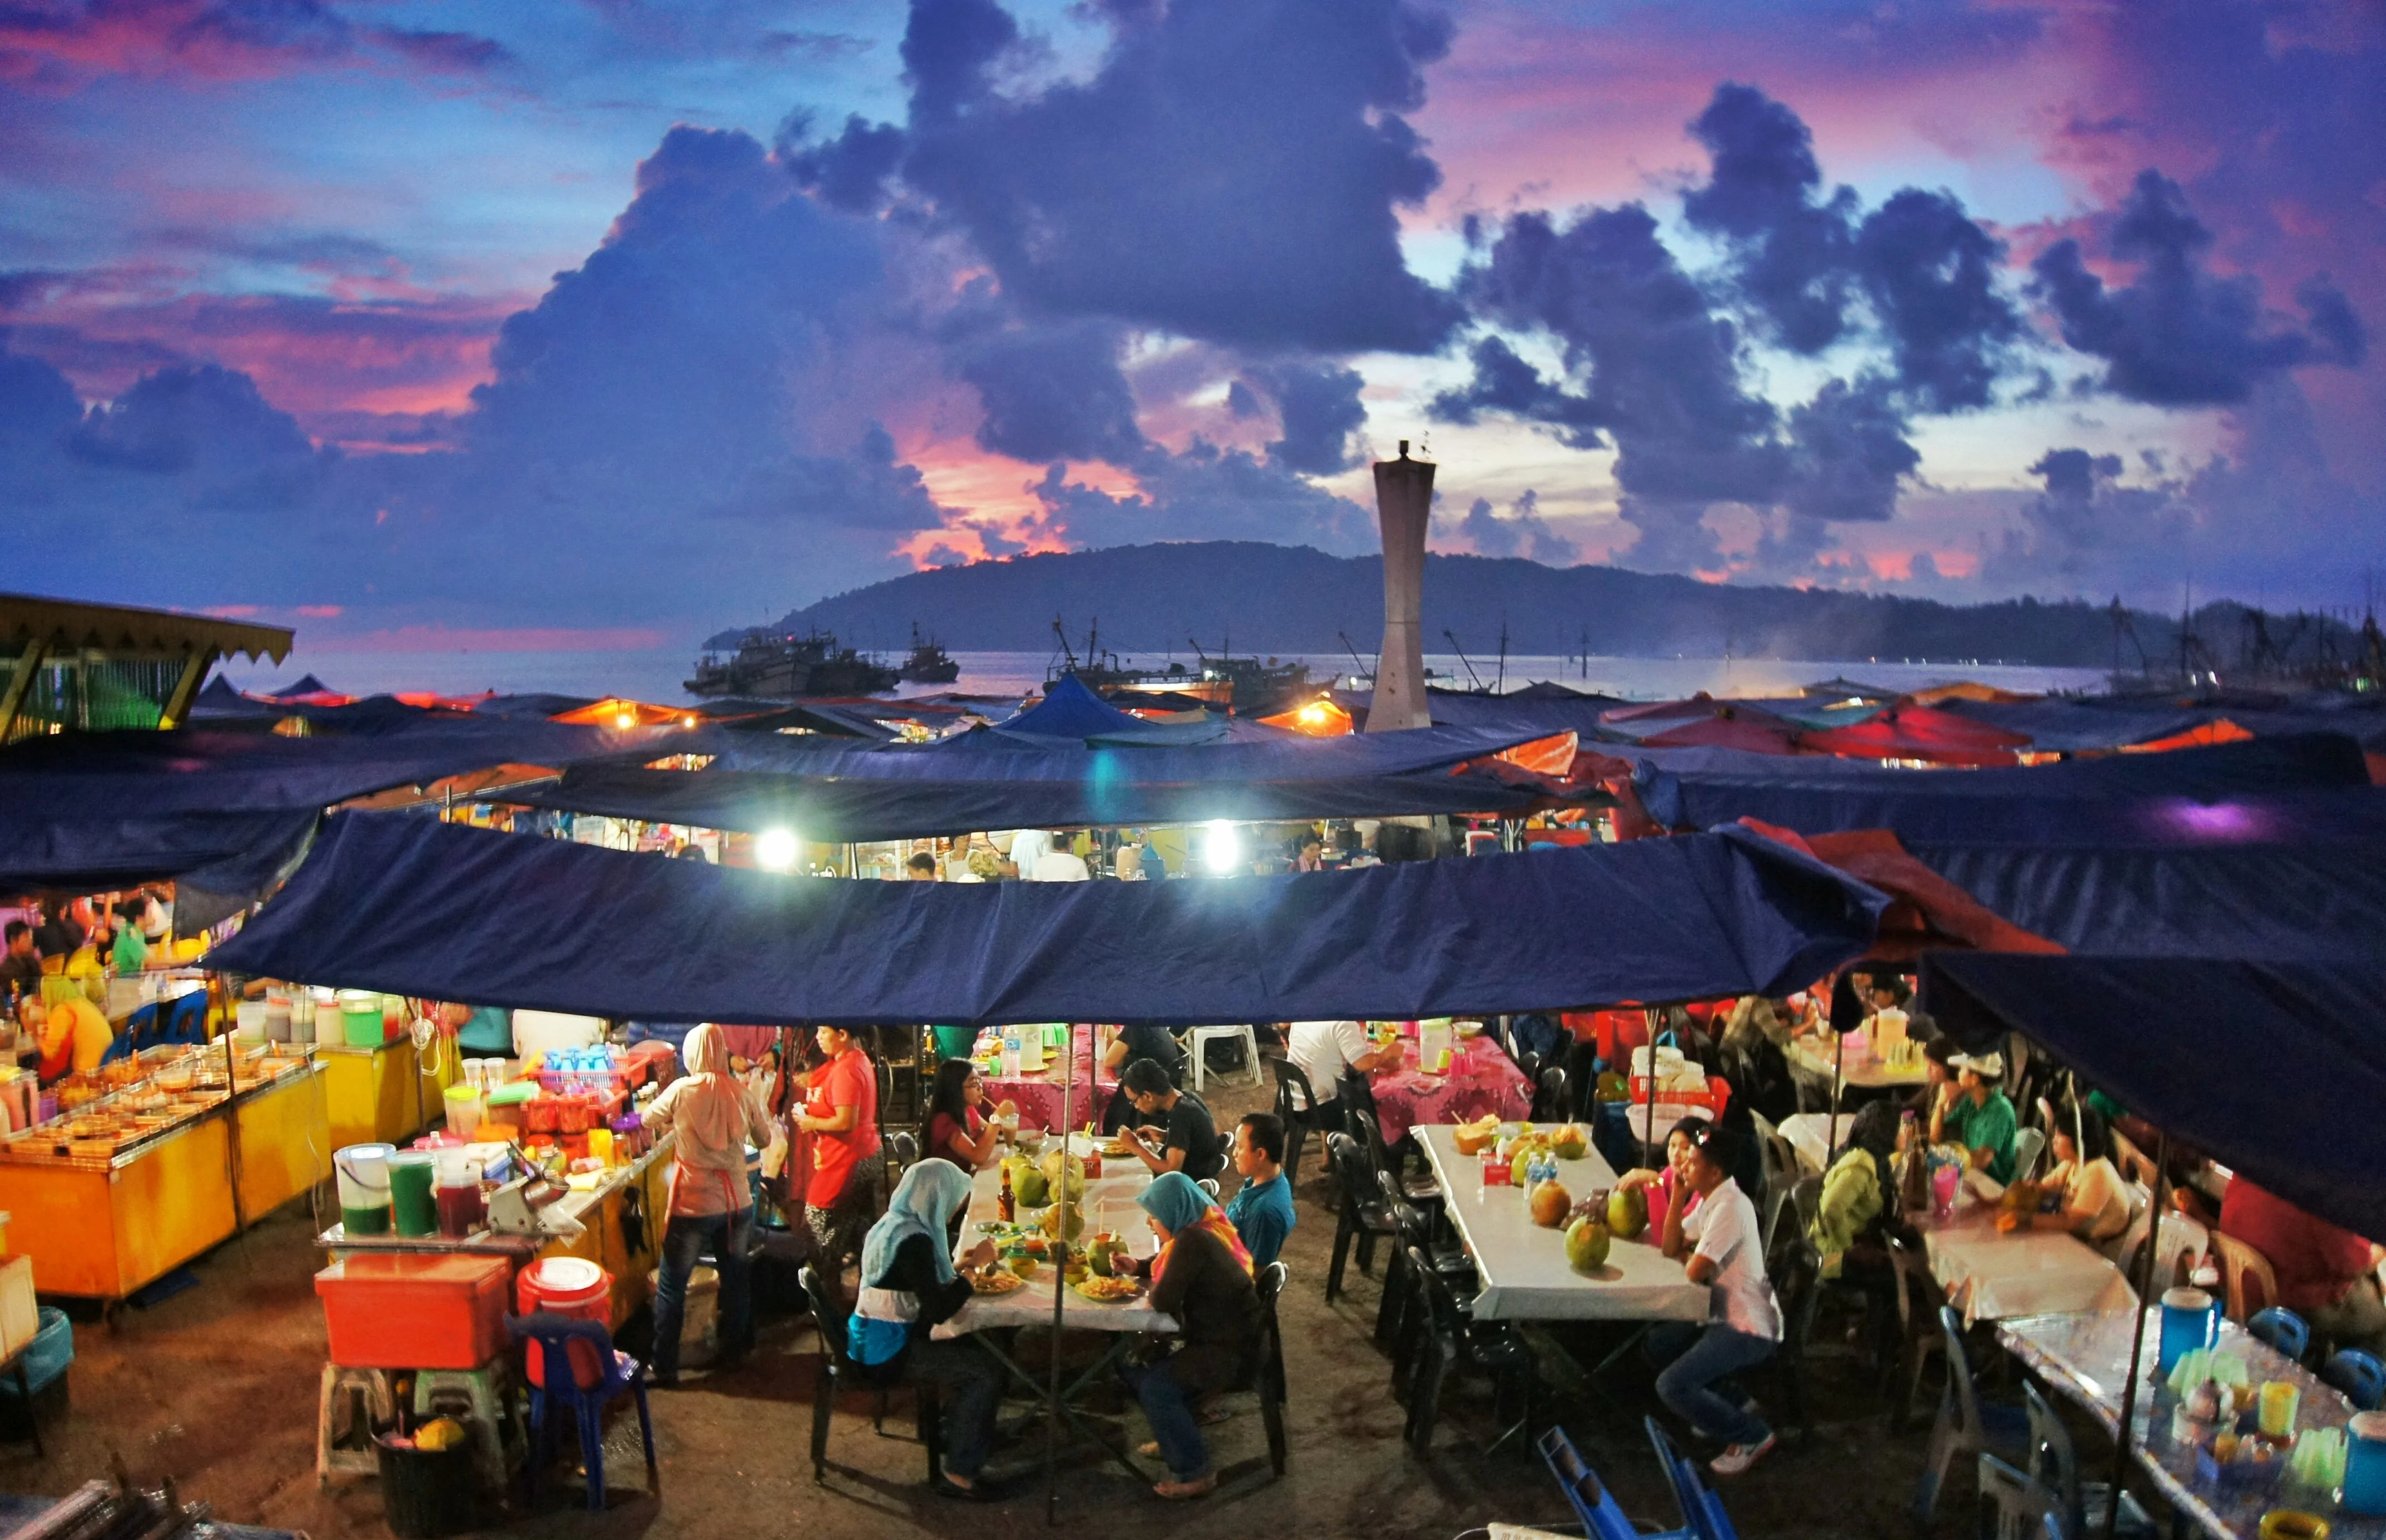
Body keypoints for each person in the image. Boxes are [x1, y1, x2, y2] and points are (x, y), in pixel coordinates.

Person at [849, 1160, 1011, 1502]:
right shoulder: (914, 1241)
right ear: (935, 1196)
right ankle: (959, 1474)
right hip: (888, 1351)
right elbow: (939, 1310)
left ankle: (966, 1431)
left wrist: (959, 1267)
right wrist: (974, 1271)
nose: (953, 1210)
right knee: (984, 1370)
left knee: (990, 1342)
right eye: (953, 1200)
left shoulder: (892, 1225)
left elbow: (915, 1283)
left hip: (867, 1336)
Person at [640, 1024, 777, 1383]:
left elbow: (645, 1118)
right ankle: (737, 1354)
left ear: (691, 1054)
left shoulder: (681, 1091)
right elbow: (763, 1138)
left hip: (693, 1204)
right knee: (735, 1279)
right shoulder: (741, 1093)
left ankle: (665, 1367)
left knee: (673, 1285)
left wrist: (677, 1122)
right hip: (737, 1203)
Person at [1647, 1121, 1781, 1476]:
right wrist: (1677, 1196)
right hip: (1719, 1314)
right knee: (1657, 1344)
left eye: (1693, 1162)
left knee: (1671, 1385)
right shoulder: (1710, 1200)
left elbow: (1693, 1271)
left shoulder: (1730, 1208)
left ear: (1715, 1171)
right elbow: (1671, 1246)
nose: (1684, 1166)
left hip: (1748, 1325)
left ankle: (1751, 1434)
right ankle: (1734, 1401)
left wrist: (1689, 1259)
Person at [1117, 1171, 1260, 1499]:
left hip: (1230, 1350)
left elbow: (1163, 1300)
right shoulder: (1199, 1231)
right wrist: (1139, 1267)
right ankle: (1174, 1433)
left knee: (1155, 1385)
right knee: (1133, 1363)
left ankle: (1196, 1473)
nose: (1151, 1224)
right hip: (1223, 1336)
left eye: (1155, 1216)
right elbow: (1171, 1267)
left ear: (1173, 1213)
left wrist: (1152, 1285)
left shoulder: (1193, 1242)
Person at [2220, 1178, 2386, 1356]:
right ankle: (2338, 1380)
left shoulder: (2252, 1165)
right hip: (2290, 1305)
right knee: (2380, 1322)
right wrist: (2375, 1253)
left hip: (2236, 1286)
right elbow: (2353, 1265)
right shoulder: (2321, 1197)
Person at [796, 1025, 883, 1285]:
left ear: (842, 1035)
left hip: (848, 1158)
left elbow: (847, 1121)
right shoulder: (854, 1060)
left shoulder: (847, 1068)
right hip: (862, 1154)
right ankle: (855, 1296)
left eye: (824, 1033)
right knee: (857, 1230)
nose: (819, 1038)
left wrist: (810, 1122)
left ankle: (827, 1297)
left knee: (817, 1226)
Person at [2003, 1102, 2129, 1254]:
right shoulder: (2073, 1163)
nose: (2054, 1140)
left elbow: (2070, 1222)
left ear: (2078, 1140)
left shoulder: (2098, 1173)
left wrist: (2024, 1219)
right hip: (2076, 1236)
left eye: (2059, 1135)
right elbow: (2039, 1190)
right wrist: (2006, 1198)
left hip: (2097, 1249)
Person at [1809, 1100, 1900, 1280]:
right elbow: (1830, 1211)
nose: (1904, 1134)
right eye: (1900, 1128)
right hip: (1832, 1254)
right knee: (1899, 1275)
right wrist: (1849, 1249)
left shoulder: (1878, 1161)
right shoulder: (1860, 1166)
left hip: (1858, 1238)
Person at [1116, 1059, 1225, 1181]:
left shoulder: (1181, 1114)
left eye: (1134, 1101)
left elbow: (1172, 1170)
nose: (1136, 1107)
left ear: (1148, 1096)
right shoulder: (1188, 1097)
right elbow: (1196, 1139)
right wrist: (1164, 1136)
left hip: (1189, 1188)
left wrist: (1135, 1146)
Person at [1283, 1018, 1401, 1126]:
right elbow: (1361, 1063)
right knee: (1367, 1091)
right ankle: (1379, 1141)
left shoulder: (1304, 1016)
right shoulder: (1343, 1023)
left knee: (1359, 1078)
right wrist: (1387, 1053)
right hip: (1321, 1109)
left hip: (1292, 1101)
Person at [1931, 1050, 2019, 1184]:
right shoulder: (1971, 1101)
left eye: (1962, 1069)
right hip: (1972, 1176)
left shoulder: (2000, 1112)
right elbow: (1935, 1136)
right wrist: (1940, 1104)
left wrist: (1946, 1159)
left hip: (1994, 1185)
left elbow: (1981, 1161)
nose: (1958, 1073)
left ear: (1974, 1079)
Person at [1614, 1116, 1712, 1236]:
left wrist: (1654, 1181)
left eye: (1686, 1148)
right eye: (1673, 1145)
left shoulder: (1706, 1192)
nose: (1676, 1154)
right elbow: (1646, 1199)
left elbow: (1667, 1239)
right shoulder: (1672, 1173)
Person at [1223, 1113, 1295, 1267]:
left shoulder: (1264, 1212)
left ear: (1261, 1154)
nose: (1235, 1153)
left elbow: (1255, 1273)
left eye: (1240, 1147)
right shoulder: (1266, 1178)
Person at [1100, 1021, 1188, 1132]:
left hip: (1149, 1094)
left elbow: (1110, 1061)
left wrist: (1103, 1021)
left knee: (1112, 1115)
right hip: (1165, 1085)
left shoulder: (1136, 1026)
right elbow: (1114, 1051)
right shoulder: (1151, 1021)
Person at [926, 1058, 999, 1171]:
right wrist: (997, 1118)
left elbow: (987, 1131)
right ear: (955, 1088)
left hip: (963, 1176)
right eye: (973, 1083)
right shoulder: (943, 1121)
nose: (980, 1088)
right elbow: (978, 1157)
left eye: (979, 1081)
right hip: (944, 1183)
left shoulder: (968, 1109)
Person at [22, 995, 114, 1082]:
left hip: (91, 1073)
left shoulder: (61, 1013)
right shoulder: (79, 1003)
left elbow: (52, 1059)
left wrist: (37, 1038)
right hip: (108, 1062)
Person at [32, 898, 84, 964]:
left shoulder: (40, 932)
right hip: (74, 970)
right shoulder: (75, 927)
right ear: (62, 911)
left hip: (51, 972)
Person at [108, 897, 149, 977]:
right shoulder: (131, 934)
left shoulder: (136, 932)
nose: (154, 914)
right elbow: (150, 962)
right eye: (150, 912)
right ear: (139, 918)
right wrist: (179, 962)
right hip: (125, 985)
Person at [1, 921, 41, 995]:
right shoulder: (6, 970)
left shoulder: (32, 962)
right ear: (13, 940)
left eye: (30, 937)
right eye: (26, 936)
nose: (30, 941)